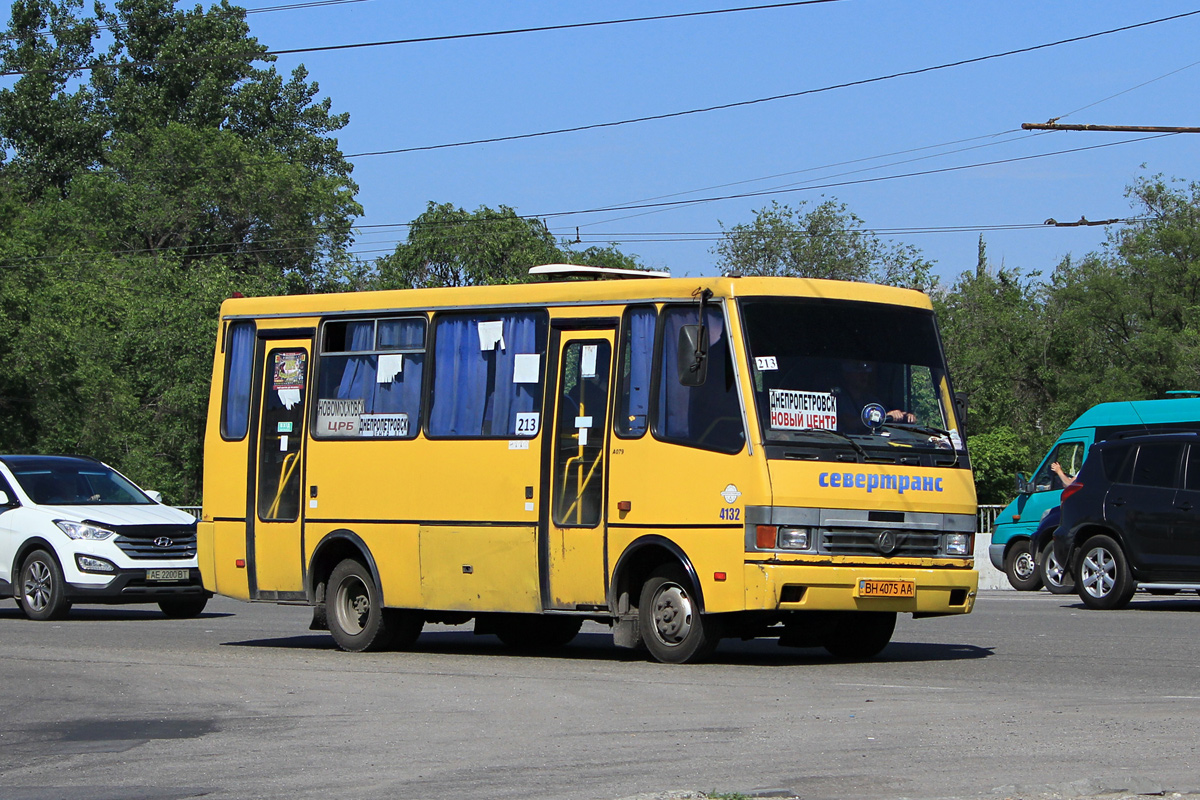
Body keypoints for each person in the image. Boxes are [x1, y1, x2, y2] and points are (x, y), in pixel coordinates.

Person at [832, 360, 914, 432]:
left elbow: (888, 413)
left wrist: (906, 416)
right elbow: (851, 423)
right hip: (846, 444)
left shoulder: (870, 399)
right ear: (847, 375)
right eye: (858, 372)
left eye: (865, 373)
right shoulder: (839, 399)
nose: (863, 376)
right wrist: (884, 416)